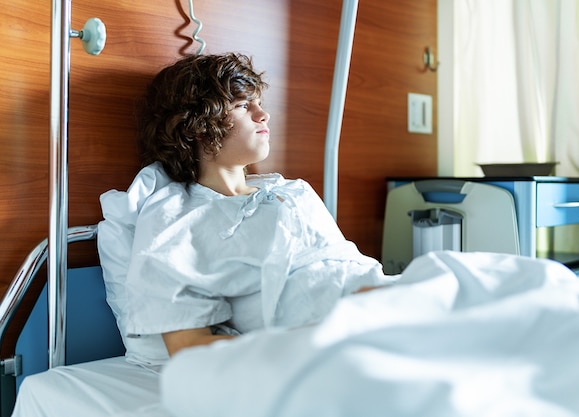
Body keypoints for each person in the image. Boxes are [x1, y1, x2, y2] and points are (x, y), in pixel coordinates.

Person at [127, 53, 396, 360]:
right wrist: (310, 344)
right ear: (197, 125)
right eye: (243, 105)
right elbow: (188, 347)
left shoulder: (295, 191)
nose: (263, 114)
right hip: (336, 340)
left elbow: (351, 269)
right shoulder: (176, 219)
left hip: (386, 302)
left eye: (258, 102)